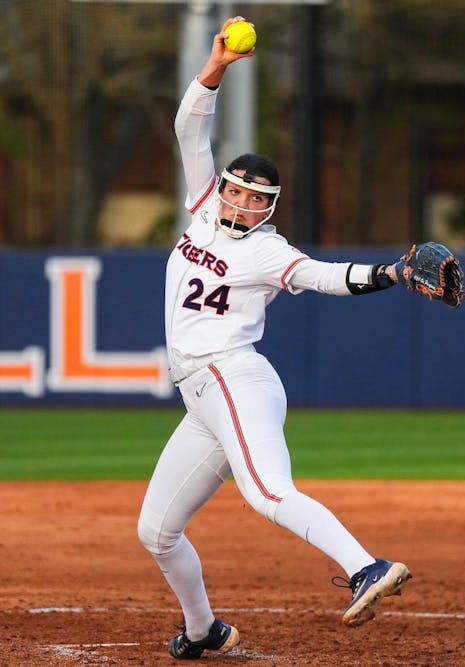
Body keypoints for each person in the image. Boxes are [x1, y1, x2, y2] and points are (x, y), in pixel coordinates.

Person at [137, 17, 414, 660]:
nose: (236, 201)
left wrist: (392, 273)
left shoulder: (266, 251)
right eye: (234, 189)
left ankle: (366, 567)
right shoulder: (201, 203)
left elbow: (323, 277)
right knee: (157, 531)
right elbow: (188, 127)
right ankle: (205, 629)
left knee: (266, 493)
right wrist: (215, 70)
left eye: (251, 197)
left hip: (233, 376)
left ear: (269, 207)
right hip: (201, 393)